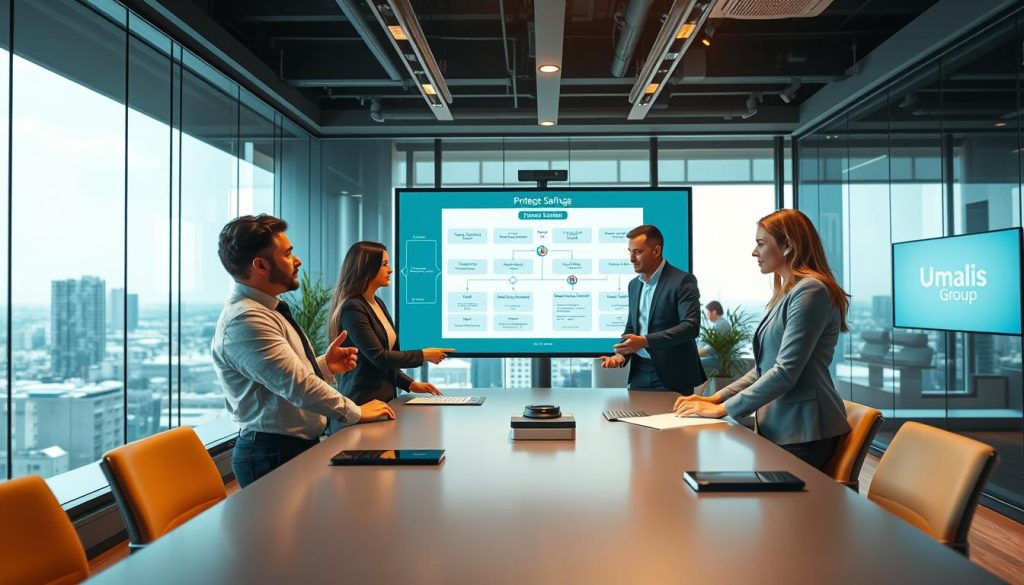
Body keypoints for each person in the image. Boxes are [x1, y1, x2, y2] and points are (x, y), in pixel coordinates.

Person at [211, 215, 395, 488]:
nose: (297, 260)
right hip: (271, 454)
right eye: (287, 254)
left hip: (290, 447)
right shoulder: (246, 320)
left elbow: (279, 379)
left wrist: (323, 366)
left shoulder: (268, 310)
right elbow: (297, 385)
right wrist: (356, 412)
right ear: (260, 265)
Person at [674, 209, 851, 470]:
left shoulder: (811, 290)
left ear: (788, 245)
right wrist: (716, 399)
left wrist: (723, 409)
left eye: (760, 243)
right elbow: (763, 369)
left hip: (803, 431)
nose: (754, 252)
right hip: (782, 427)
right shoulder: (789, 292)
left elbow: (785, 372)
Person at [327, 241, 454, 415]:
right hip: (363, 403)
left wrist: (410, 384)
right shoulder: (353, 308)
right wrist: (423, 355)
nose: (391, 270)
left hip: (385, 401)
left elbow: (386, 363)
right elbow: (379, 357)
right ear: (367, 268)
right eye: (384, 264)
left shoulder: (377, 303)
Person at [599, 225, 707, 393]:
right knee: (633, 420)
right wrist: (622, 355)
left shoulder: (683, 281)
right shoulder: (633, 285)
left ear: (656, 251)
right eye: (630, 251)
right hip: (639, 373)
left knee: (671, 420)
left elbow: (691, 327)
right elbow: (632, 328)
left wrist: (645, 341)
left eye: (637, 252)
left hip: (674, 375)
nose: (631, 258)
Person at [698, 300, 731, 374]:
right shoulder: (720, 323)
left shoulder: (721, 324)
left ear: (714, 312)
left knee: (694, 363)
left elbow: (711, 347)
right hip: (715, 358)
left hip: (718, 359)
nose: (706, 315)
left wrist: (695, 354)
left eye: (707, 312)